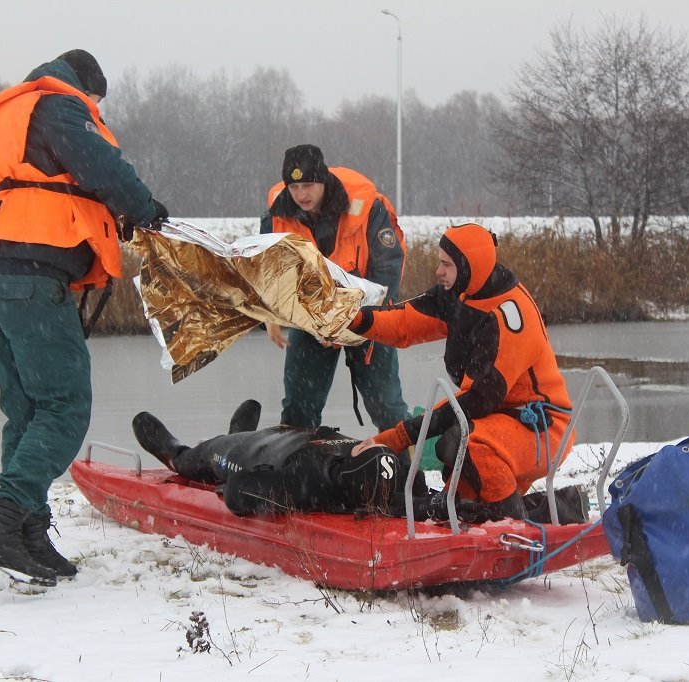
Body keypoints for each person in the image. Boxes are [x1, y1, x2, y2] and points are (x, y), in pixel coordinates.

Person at [0, 49, 168, 586]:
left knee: (26, 411)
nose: (97, 112)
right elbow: (101, 166)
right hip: (33, 278)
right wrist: (145, 209)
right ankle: (5, 523)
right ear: (87, 88)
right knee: (65, 406)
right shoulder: (58, 106)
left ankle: (29, 533)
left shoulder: (15, 113)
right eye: (98, 103)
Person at [349, 223, 574, 521]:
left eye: (446, 264)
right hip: (500, 420)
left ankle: (511, 524)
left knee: (463, 442)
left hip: (543, 426)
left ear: (470, 267)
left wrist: (397, 437)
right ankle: (491, 516)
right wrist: (349, 319)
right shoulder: (461, 292)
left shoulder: (507, 318)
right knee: (460, 482)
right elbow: (403, 321)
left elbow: (475, 400)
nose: (438, 271)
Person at [261, 144, 409, 432]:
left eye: (308, 185)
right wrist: (270, 315)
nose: (301, 195)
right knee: (298, 408)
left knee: (387, 407)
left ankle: (406, 471)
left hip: (369, 316)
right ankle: (296, 471)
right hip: (312, 321)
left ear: (323, 180)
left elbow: (388, 268)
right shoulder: (277, 215)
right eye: (294, 187)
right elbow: (267, 269)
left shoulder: (368, 208)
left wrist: (354, 321)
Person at [131, 401, 406, 516]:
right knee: (203, 456)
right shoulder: (389, 475)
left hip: (252, 449)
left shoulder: (307, 482)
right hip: (285, 437)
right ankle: (188, 447)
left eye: (367, 449)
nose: (370, 442)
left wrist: (229, 485)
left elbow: (238, 492)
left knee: (207, 456)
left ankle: (187, 447)